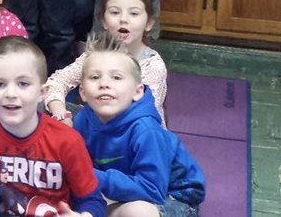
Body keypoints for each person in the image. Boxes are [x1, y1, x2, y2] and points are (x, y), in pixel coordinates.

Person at [0, 36, 105, 216]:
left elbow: (92, 200)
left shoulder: (67, 140)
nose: (11, 93)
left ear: (42, 92)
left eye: (23, 84)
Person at [75, 34, 205, 216]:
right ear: (83, 92)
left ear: (137, 91)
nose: (104, 84)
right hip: (124, 187)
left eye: (116, 78)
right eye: (95, 77)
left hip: (173, 197)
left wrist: (92, 177)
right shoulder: (82, 120)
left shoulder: (146, 130)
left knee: (137, 213)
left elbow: (153, 190)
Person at [45, 0, 168, 126]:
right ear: (103, 20)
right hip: (98, 122)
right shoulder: (96, 55)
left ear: (149, 23)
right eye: (115, 12)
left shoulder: (152, 66)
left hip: (134, 131)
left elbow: (141, 115)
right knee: (38, 107)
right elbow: (57, 82)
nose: (123, 19)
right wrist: (61, 114)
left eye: (134, 13)